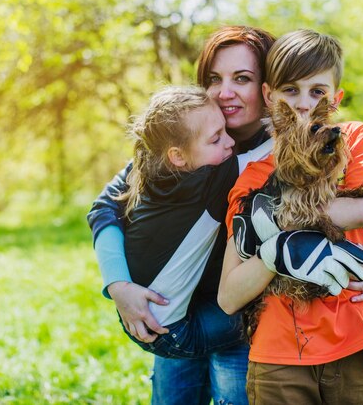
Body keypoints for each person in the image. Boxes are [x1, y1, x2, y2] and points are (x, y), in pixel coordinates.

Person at [87, 26, 276, 405]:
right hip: (173, 309)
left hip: (241, 317)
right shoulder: (182, 139)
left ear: (269, 87)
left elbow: (327, 212)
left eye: (242, 78)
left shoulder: (285, 148)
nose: (224, 93)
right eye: (213, 79)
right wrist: (119, 285)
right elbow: (105, 206)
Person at [218, 29, 363, 404]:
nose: (303, 104)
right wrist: (274, 253)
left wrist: (276, 221)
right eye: (290, 90)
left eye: (317, 91)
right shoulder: (253, 178)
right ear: (269, 96)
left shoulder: (350, 141)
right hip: (278, 354)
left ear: (335, 99)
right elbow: (228, 295)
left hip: (353, 338)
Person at [113, 85, 272, 358]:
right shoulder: (205, 183)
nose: (230, 142)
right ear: (177, 155)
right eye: (215, 139)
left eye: (225, 130)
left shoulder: (154, 172)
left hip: (138, 313)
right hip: (172, 332)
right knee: (267, 306)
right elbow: (271, 153)